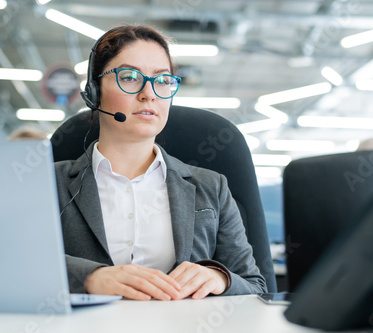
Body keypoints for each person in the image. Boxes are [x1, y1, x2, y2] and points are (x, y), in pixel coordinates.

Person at [54, 25, 267, 301]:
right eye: (129, 77)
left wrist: (220, 278)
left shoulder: (211, 187)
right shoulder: (49, 183)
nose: (149, 93)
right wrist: (91, 277)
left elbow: (255, 285)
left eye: (163, 80)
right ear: (95, 91)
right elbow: (13, 263)